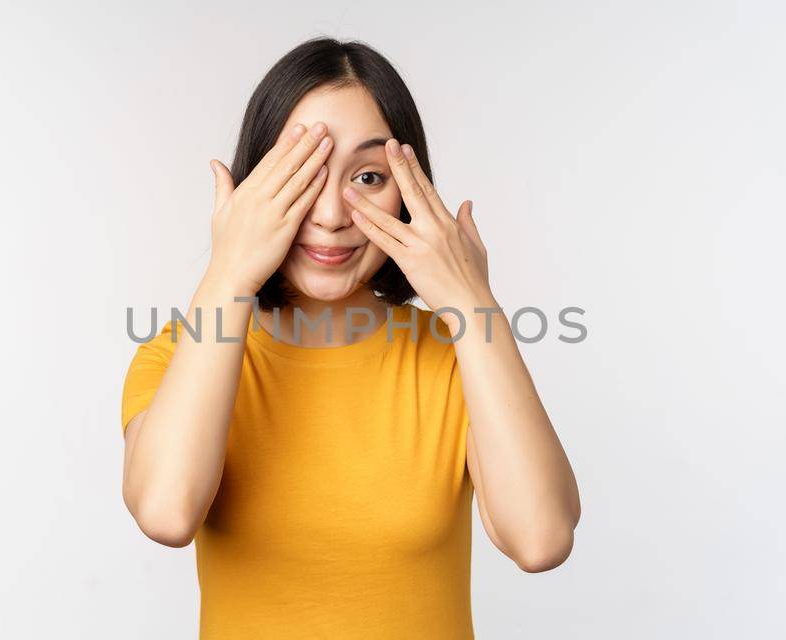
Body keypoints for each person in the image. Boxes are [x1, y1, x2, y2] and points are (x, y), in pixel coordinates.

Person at [118, 37, 580, 639]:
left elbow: (541, 539)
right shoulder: (180, 354)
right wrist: (229, 271)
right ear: (255, 181)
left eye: (368, 176)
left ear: (411, 192)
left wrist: (473, 303)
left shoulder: (454, 355)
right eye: (302, 173)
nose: (333, 213)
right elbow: (165, 512)